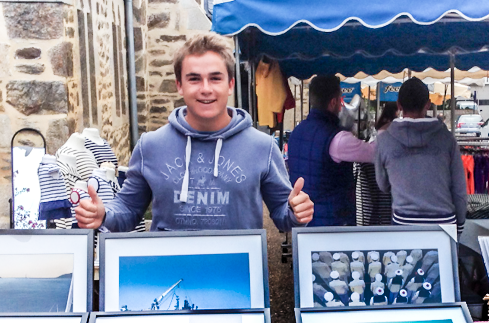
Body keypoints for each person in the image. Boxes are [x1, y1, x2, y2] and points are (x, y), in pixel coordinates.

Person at [75, 32, 313, 232]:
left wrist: (295, 212)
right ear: (179, 85)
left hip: (237, 277)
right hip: (170, 276)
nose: (206, 89)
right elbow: (128, 210)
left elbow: (283, 216)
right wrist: (104, 213)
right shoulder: (151, 146)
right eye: (194, 79)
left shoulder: (263, 147)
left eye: (215, 78)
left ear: (230, 84)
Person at [374, 77, 467, 227]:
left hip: (404, 221)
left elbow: (383, 185)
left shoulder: (384, 140)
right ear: (428, 104)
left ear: (399, 105)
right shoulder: (446, 138)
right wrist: (460, 225)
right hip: (444, 223)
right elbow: (459, 189)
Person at [287, 74, 376, 226]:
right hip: (332, 223)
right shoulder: (338, 138)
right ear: (334, 102)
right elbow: (375, 153)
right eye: (340, 101)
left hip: (303, 221)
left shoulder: (296, 132)